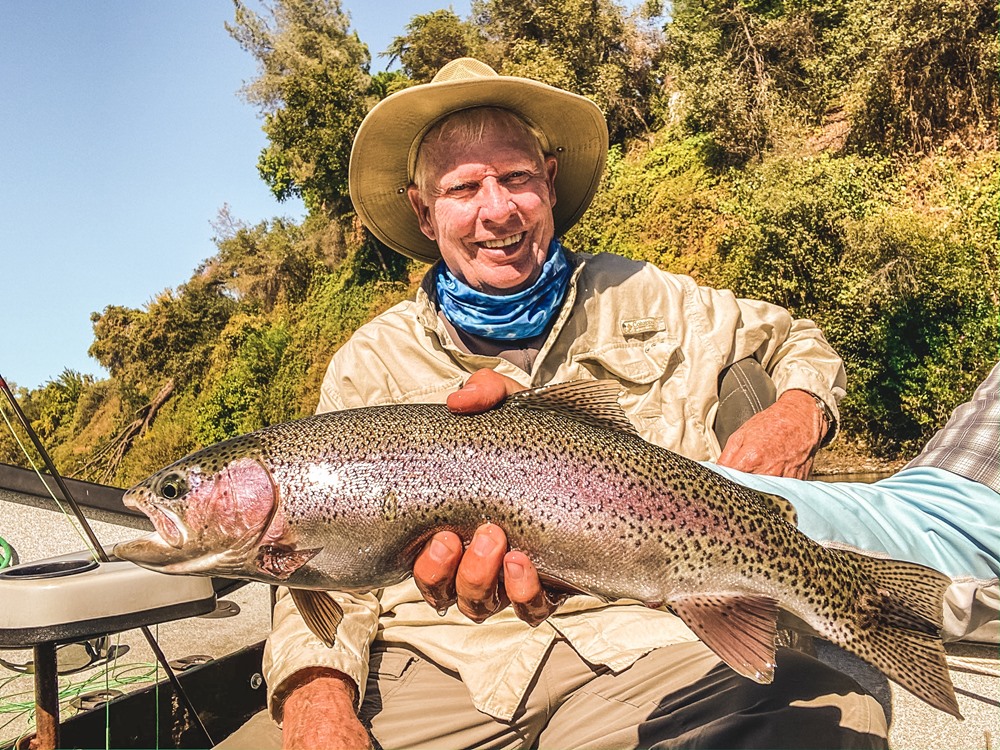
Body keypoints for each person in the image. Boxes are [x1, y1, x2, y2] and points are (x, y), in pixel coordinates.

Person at [223, 57, 877, 750]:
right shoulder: (368, 362)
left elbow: (794, 341)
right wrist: (315, 698)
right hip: (436, 663)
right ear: (423, 211)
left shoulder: (650, 295)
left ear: (551, 183)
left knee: (832, 723)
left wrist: (801, 409)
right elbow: (309, 568)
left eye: (516, 178)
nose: (497, 209)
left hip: (647, 645)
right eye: (464, 187)